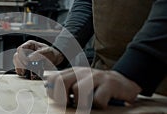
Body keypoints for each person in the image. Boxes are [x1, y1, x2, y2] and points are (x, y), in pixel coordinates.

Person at [13, 0, 167, 108]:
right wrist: (59, 50)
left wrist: (134, 71)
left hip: (156, 91)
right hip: (104, 85)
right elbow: (88, 3)